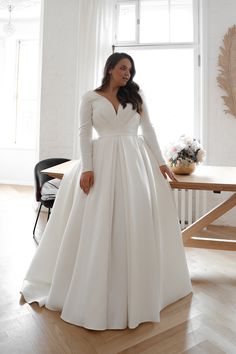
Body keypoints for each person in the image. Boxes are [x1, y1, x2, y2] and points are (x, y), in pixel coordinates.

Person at [21, 52, 192, 331]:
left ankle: (138, 292)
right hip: (101, 162)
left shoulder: (135, 96)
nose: (127, 73)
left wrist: (161, 163)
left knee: (133, 220)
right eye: (123, 68)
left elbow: (148, 130)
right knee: (99, 221)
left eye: (130, 70)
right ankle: (93, 285)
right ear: (110, 68)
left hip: (135, 162)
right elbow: (83, 133)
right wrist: (87, 168)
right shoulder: (89, 97)